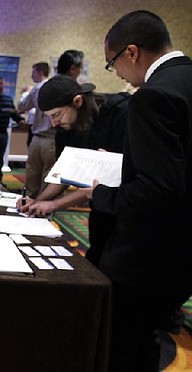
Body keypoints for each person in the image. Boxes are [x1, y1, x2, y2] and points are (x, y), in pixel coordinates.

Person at [91, 10, 192, 371]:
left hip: (149, 257)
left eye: (112, 63)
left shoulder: (153, 95)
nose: (117, 74)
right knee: (148, 337)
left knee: (125, 348)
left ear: (131, 52)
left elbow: (157, 190)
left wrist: (100, 195)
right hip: (183, 254)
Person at [18, 75, 130, 268]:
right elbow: (64, 175)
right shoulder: (66, 129)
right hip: (101, 210)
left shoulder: (118, 114)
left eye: (57, 115)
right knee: (95, 260)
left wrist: (54, 205)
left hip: (128, 210)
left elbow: (107, 182)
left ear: (77, 101)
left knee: (117, 268)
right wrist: (38, 201)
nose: (53, 123)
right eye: (49, 117)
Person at [17, 62, 56, 198]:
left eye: (33, 72)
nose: (31, 75)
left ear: (40, 72)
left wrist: (25, 93)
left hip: (37, 137)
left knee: (32, 177)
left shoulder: (37, 88)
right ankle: (44, 210)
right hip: (52, 140)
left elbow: (23, 106)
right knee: (47, 178)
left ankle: (28, 207)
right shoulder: (55, 87)